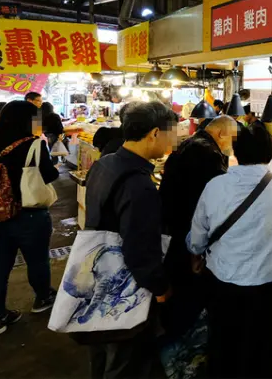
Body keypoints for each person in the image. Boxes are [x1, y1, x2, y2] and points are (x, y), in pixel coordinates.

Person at [188, 123, 272, 379]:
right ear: (271, 152)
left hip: (223, 282)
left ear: (235, 150)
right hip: (268, 285)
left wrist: (195, 253)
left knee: (224, 341)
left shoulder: (216, 185)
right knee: (263, 345)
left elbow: (197, 237)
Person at [85, 102, 178, 378]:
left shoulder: (105, 163)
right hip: (123, 287)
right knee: (126, 362)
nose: (173, 141)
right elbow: (139, 249)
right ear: (154, 133)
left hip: (98, 276)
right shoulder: (139, 185)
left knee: (102, 355)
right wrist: (159, 286)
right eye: (172, 133)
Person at [158, 116, 235, 339]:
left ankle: (172, 336)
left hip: (172, 229)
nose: (232, 146)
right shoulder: (209, 155)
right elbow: (212, 202)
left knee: (178, 290)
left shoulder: (188, 144)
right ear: (221, 134)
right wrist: (198, 249)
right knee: (189, 295)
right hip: (189, 235)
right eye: (232, 139)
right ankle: (182, 346)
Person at [0, 101, 59, 335]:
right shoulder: (34, 144)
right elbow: (50, 175)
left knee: (0, 266)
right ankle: (42, 298)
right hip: (29, 214)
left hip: (0, 213)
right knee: (37, 260)